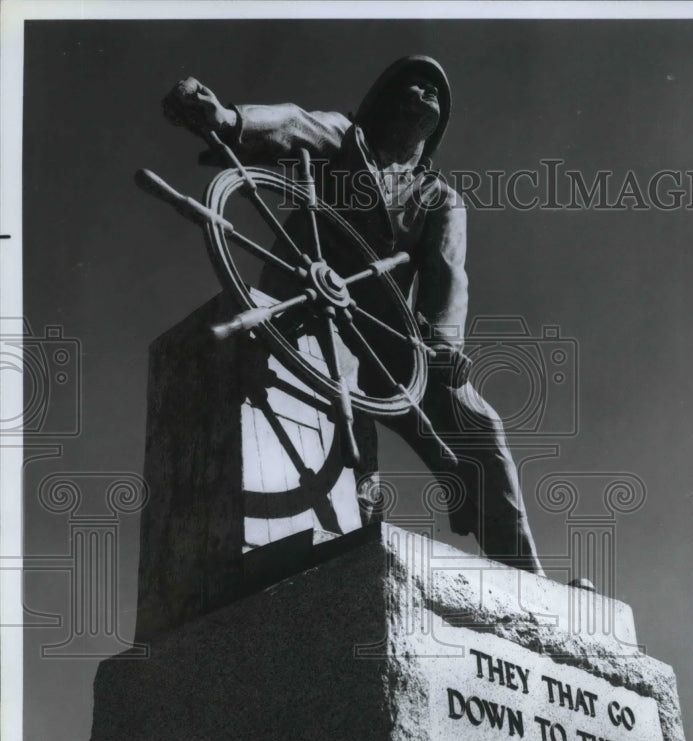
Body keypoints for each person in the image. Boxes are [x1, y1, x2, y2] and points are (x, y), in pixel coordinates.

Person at [163, 55, 544, 574]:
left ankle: (526, 576)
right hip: (306, 305)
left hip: (388, 334)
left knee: (479, 426)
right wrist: (228, 121)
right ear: (386, 102)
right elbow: (294, 124)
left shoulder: (440, 199)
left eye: (436, 90)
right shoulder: (346, 142)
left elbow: (447, 276)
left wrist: (445, 347)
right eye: (413, 85)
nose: (427, 91)